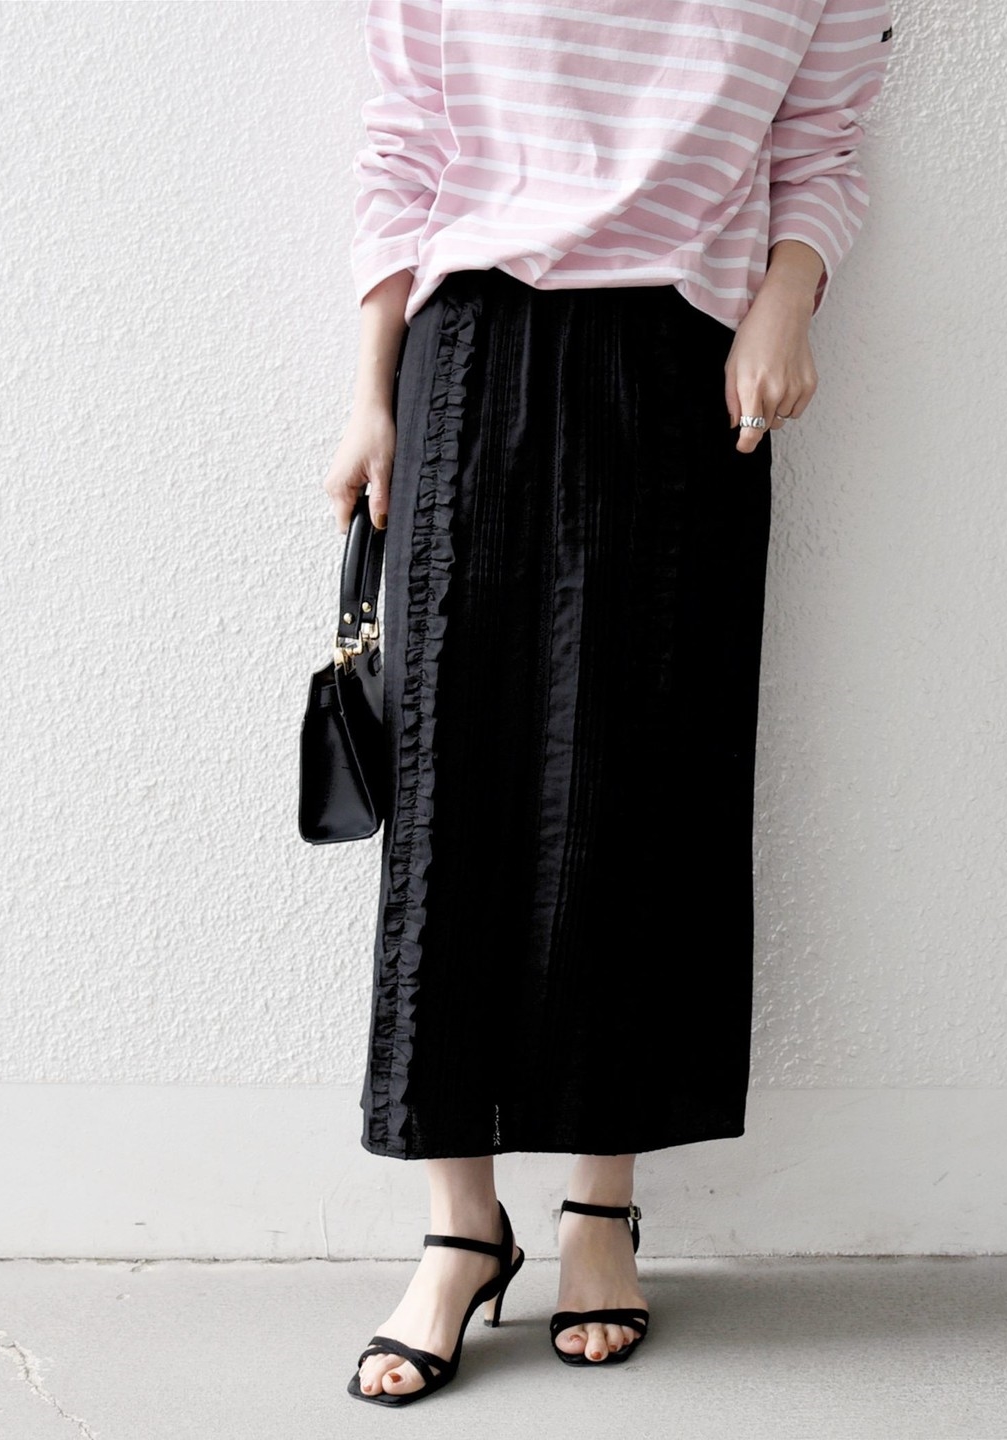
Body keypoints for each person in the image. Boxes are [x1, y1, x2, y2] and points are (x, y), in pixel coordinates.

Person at [323, 0, 894, 1408]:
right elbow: (406, 141)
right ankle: (462, 1227)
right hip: (472, 343)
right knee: (452, 795)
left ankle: (600, 1207)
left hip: (684, 360)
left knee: (632, 786)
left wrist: (787, 299)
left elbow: (822, 140)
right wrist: (371, 393)